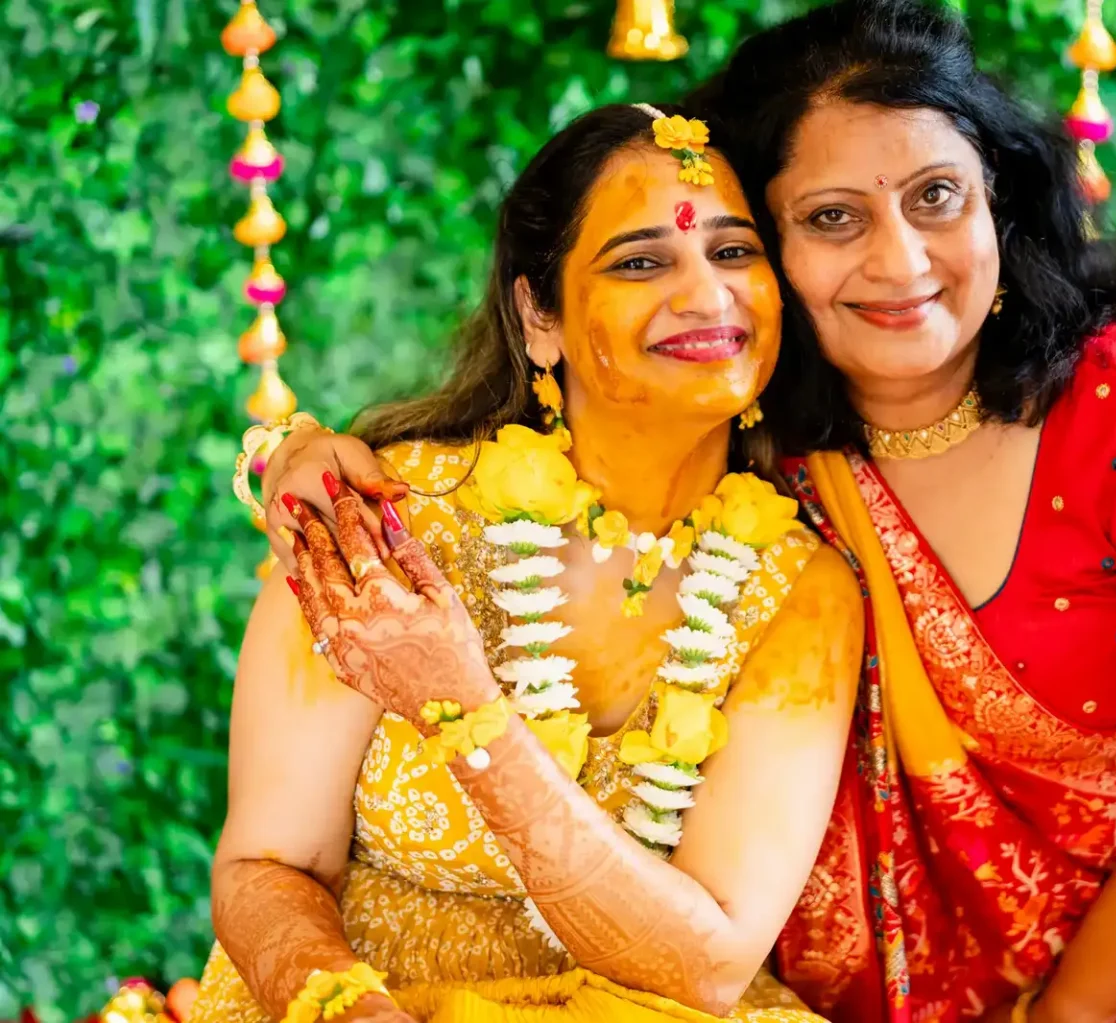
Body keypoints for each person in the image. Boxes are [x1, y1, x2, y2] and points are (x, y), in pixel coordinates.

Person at [256, 2, 1116, 1022]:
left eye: (938, 197)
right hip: (881, 995)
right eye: (829, 219)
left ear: (999, 196)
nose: (899, 262)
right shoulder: (781, 445)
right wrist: (295, 451)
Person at [193, 102, 863, 1023]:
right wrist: (342, 1005)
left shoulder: (798, 590)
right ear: (537, 313)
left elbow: (712, 961)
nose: (708, 294)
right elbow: (268, 862)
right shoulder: (390, 518)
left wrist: (466, 709)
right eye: (640, 260)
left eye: (735, 251)